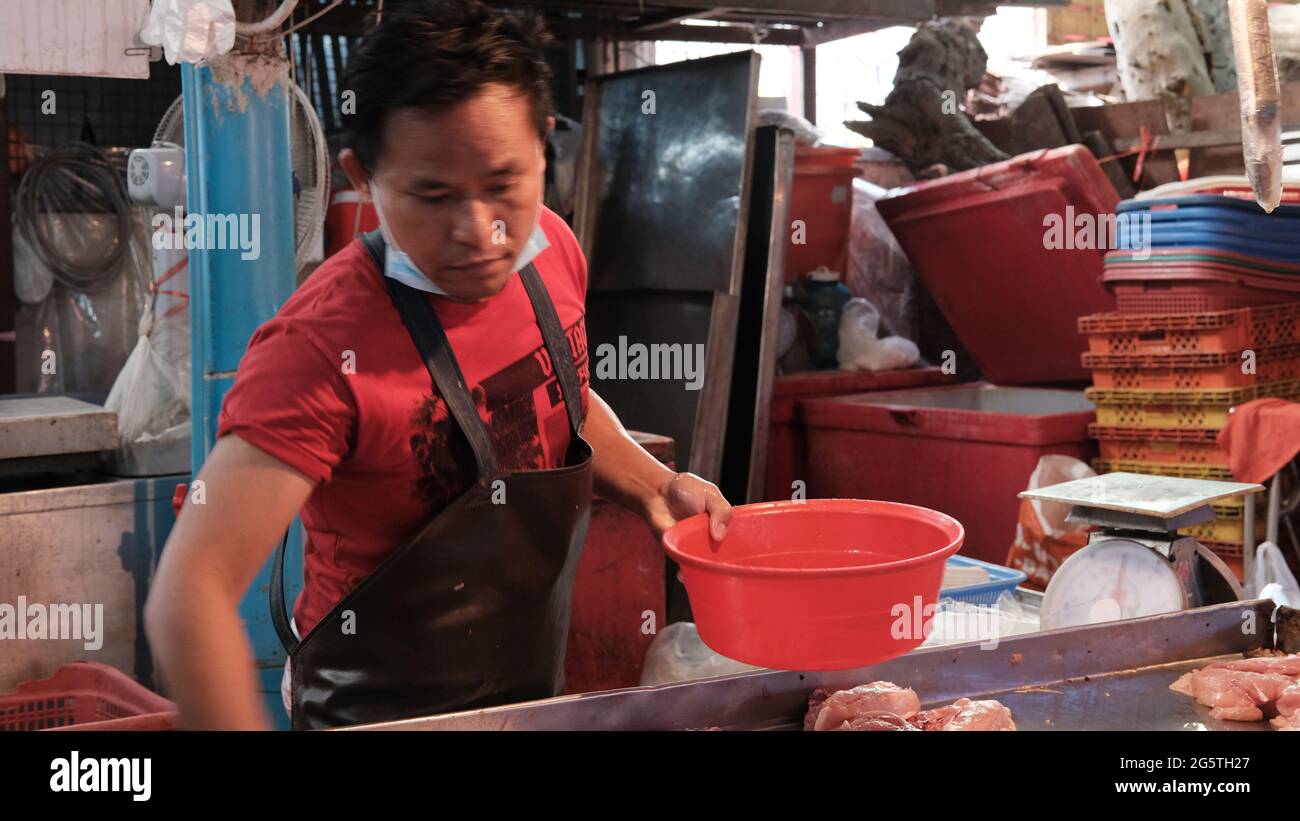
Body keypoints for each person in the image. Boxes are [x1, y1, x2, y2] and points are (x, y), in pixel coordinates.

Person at [145, 0, 732, 730]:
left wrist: (658, 487)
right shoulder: (320, 348)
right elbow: (188, 595)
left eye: (503, 183)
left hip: (527, 696)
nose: (479, 231)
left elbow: (566, 401)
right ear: (365, 177)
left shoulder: (551, 253)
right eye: (432, 194)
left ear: (544, 147)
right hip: (379, 712)